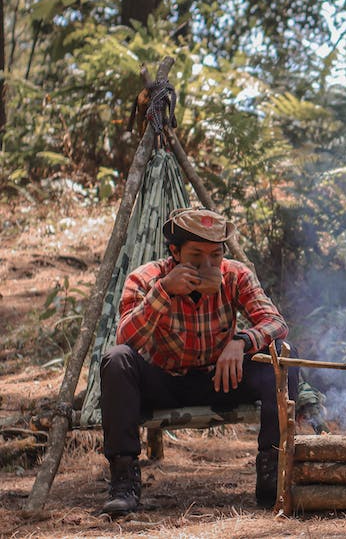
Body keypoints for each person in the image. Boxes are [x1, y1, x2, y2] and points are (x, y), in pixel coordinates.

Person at [99, 207, 295, 514]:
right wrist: (164, 291)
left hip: (220, 379)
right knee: (117, 360)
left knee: (282, 355)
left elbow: (275, 322)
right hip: (164, 381)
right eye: (195, 257)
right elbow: (126, 338)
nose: (208, 266)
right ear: (174, 253)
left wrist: (240, 341)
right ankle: (124, 481)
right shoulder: (146, 278)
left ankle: (273, 473)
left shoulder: (235, 274)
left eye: (215, 256)